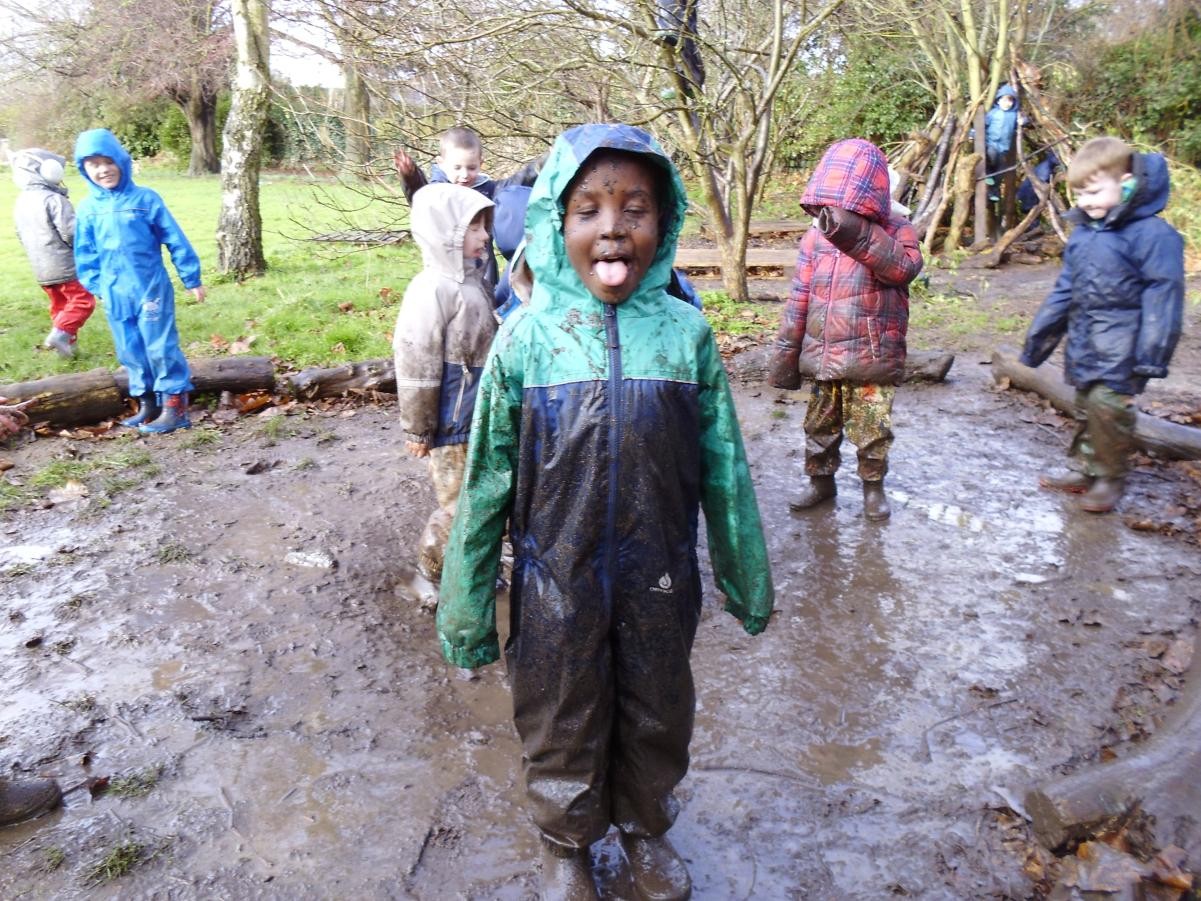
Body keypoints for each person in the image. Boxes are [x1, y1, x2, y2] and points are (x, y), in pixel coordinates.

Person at [436, 124, 773, 901]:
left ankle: (645, 824)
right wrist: (466, 603)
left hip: (661, 576)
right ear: (556, 224)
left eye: (635, 209)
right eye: (587, 210)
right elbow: (485, 482)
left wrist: (744, 574)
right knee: (559, 712)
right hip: (555, 581)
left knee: (658, 706)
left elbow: (725, 468)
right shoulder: (526, 341)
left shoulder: (686, 336)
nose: (613, 227)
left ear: (665, 221)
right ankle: (566, 842)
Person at [1019, 136, 1184, 513]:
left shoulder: (1153, 235)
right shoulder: (1084, 234)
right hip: (1086, 339)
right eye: (1079, 194)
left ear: (1126, 183)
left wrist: (1152, 356)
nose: (1085, 202)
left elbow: (1164, 297)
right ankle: (1087, 468)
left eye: (1093, 192)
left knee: (1109, 408)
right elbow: (1065, 290)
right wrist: (1039, 339)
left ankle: (1110, 477)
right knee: (1086, 405)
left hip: (1127, 346)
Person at [768, 138, 925, 521]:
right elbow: (800, 296)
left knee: (873, 430)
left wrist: (856, 232)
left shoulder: (897, 229)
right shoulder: (815, 236)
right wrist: (786, 355)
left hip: (871, 356)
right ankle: (821, 482)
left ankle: (873, 487)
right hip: (825, 355)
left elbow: (903, 270)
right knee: (819, 427)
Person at [393, 183, 497, 596]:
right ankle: (429, 575)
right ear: (445, 232)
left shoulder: (473, 283)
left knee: (483, 497)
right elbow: (415, 362)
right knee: (457, 505)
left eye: (485, 226)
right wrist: (418, 428)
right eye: (474, 227)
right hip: (451, 423)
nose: (485, 236)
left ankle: (475, 570)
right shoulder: (432, 289)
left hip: (478, 416)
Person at [73, 129, 205, 435]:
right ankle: (147, 402)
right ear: (84, 170)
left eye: (109, 161)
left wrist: (191, 277)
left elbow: (174, 238)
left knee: (159, 344)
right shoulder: (88, 208)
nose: (103, 170)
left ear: (121, 161)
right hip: (114, 290)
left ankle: (175, 406)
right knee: (129, 347)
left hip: (149, 286)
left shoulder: (145, 199)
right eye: (94, 164)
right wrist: (97, 286)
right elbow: (85, 252)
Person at [393, 126, 542, 287]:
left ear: (481, 163)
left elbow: (515, 183)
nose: (464, 175)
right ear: (441, 163)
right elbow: (423, 200)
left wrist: (544, 164)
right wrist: (411, 177)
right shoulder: (440, 192)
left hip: (484, 272)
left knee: (486, 298)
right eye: (457, 168)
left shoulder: (486, 190)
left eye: (471, 168)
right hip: (447, 276)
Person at [11, 148, 97, 358]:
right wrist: (88, 249)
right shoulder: (54, 199)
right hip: (65, 266)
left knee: (61, 306)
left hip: (41, 269)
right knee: (82, 301)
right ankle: (60, 335)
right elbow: (71, 232)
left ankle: (68, 350)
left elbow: (20, 235)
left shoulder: (21, 202)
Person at [984, 85, 1020, 203]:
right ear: (998, 101)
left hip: (1004, 147)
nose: (1007, 103)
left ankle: (993, 192)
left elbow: (1023, 122)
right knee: (991, 156)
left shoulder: (1014, 115)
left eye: (1010, 100)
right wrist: (972, 133)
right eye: (1004, 100)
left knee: (1001, 170)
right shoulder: (993, 113)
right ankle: (988, 174)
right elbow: (983, 124)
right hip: (991, 142)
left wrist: (1024, 121)